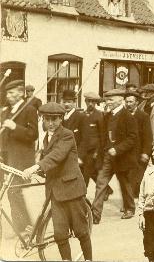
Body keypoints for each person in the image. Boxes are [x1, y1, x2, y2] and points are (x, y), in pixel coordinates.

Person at [22, 102, 92, 261]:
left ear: (61, 119)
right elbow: (45, 159)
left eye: (55, 119)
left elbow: (57, 156)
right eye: (47, 119)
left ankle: (88, 259)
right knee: (60, 235)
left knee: (81, 231)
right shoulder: (46, 137)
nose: (51, 123)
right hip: (55, 192)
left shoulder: (67, 134)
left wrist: (35, 167)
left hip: (72, 190)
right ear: (43, 120)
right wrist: (35, 171)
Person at [92, 88, 138, 223]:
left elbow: (132, 138)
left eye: (111, 100)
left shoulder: (128, 116)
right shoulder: (107, 116)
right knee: (101, 183)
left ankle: (129, 208)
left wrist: (117, 149)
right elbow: (103, 137)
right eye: (107, 99)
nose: (108, 102)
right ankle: (95, 215)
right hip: (107, 157)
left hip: (122, 157)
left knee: (124, 183)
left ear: (120, 100)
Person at [0, 79, 37, 236]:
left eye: (12, 92)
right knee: (6, 192)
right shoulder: (5, 111)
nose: (8, 95)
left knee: (14, 192)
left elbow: (33, 135)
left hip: (20, 159)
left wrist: (15, 127)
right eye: (7, 92)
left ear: (21, 93)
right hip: (5, 157)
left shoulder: (29, 110)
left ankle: (25, 227)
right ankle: (21, 227)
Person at [126, 91, 154, 198]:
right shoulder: (122, 116)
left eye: (131, 102)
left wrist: (146, 152)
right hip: (126, 152)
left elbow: (148, 137)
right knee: (128, 177)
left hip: (139, 152)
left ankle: (131, 201)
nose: (128, 104)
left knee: (136, 177)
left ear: (136, 102)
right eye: (127, 102)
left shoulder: (143, 116)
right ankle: (130, 200)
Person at [79, 92, 109, 192]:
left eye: (93, 102)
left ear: (96, 103)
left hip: (93, 151)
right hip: (83, 150)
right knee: (90, 172)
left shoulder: (99, 116)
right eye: (89, 101)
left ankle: (83, 194)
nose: (91, 104)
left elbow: (102, 136)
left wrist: (98, 151)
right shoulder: (82, 115)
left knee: (86, 174)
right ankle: (107, 189)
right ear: (85, 101)